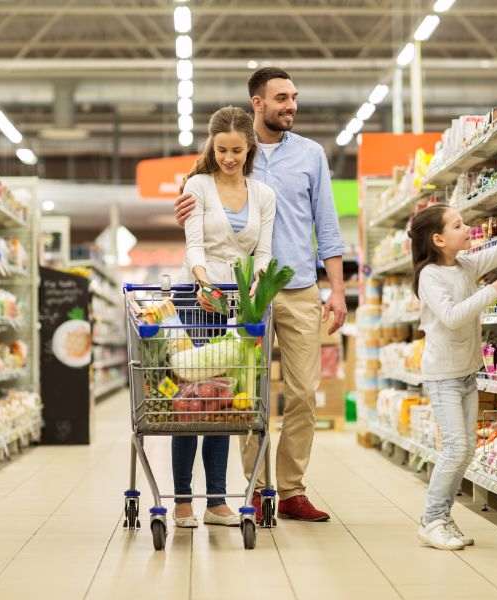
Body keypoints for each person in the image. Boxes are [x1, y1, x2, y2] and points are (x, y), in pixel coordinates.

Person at [174, 68, 346, 522]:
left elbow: (326, 225)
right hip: (242, 294)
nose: (291, 105)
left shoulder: (310, 154)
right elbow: (199, 212)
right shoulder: (231, 152)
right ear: (257, 103)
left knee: (303, 392)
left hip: (299, 288)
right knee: (248, 394)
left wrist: (339, 290)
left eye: (294, 97)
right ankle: (257, 486)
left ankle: (290, 489)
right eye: (281, 98)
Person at [410, 196, 497, 550]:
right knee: (455, 448)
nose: (467, 229)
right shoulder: (431, 275)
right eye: (457, 225)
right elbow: (452, 316)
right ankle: (431, 520)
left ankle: (442, 516)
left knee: (467, 448)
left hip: (467, 373)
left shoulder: (465, 264)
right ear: (438, 240)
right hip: (443, 375)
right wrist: (490, 291)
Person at [172, 106, 276, 529]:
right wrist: (201, 282)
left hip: (238, 301)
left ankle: (216, 500)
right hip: (197, 298)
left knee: (221, 401)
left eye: (236, 150)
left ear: (249, 148)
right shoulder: (197, 185)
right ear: (211, 148)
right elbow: (193, 244)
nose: (229, 158)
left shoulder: (264, 194)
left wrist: (258, 284)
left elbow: (264, 251)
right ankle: (182, 500)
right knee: (192, 399)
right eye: (222, 150)